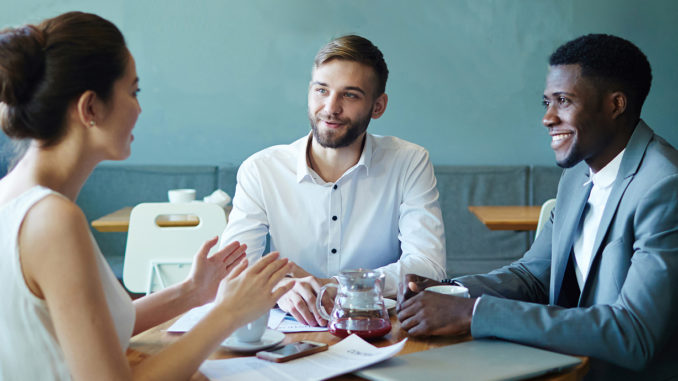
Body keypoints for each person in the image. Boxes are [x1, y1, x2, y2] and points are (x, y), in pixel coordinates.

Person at [0, 12, 293, 380]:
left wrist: (193, 291)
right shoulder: (53, 219)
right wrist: (228, 313)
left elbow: (92, 330)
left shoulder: (15, 197)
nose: (139, 108)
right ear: (90, 108)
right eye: (133, 92)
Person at [397, 34, 678, 379]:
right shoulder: (578, 174)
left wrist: (474, 313)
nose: (548, 117)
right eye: (546, 102)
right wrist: (451, 291)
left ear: (615, 104)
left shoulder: (665, 185)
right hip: (567, 363)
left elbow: (633, 333)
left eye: (563, 101)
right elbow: (533, 275)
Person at [220, 35, 446, 327]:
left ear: (378, 106)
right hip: (290, 330)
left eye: (350, 95)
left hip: (375, 327)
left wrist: (332, 285)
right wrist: (282, 288)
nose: (330, 107)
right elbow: (232, 271)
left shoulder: (409, 161)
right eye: (321, 90)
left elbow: (428, 265)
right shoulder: (261, 170)